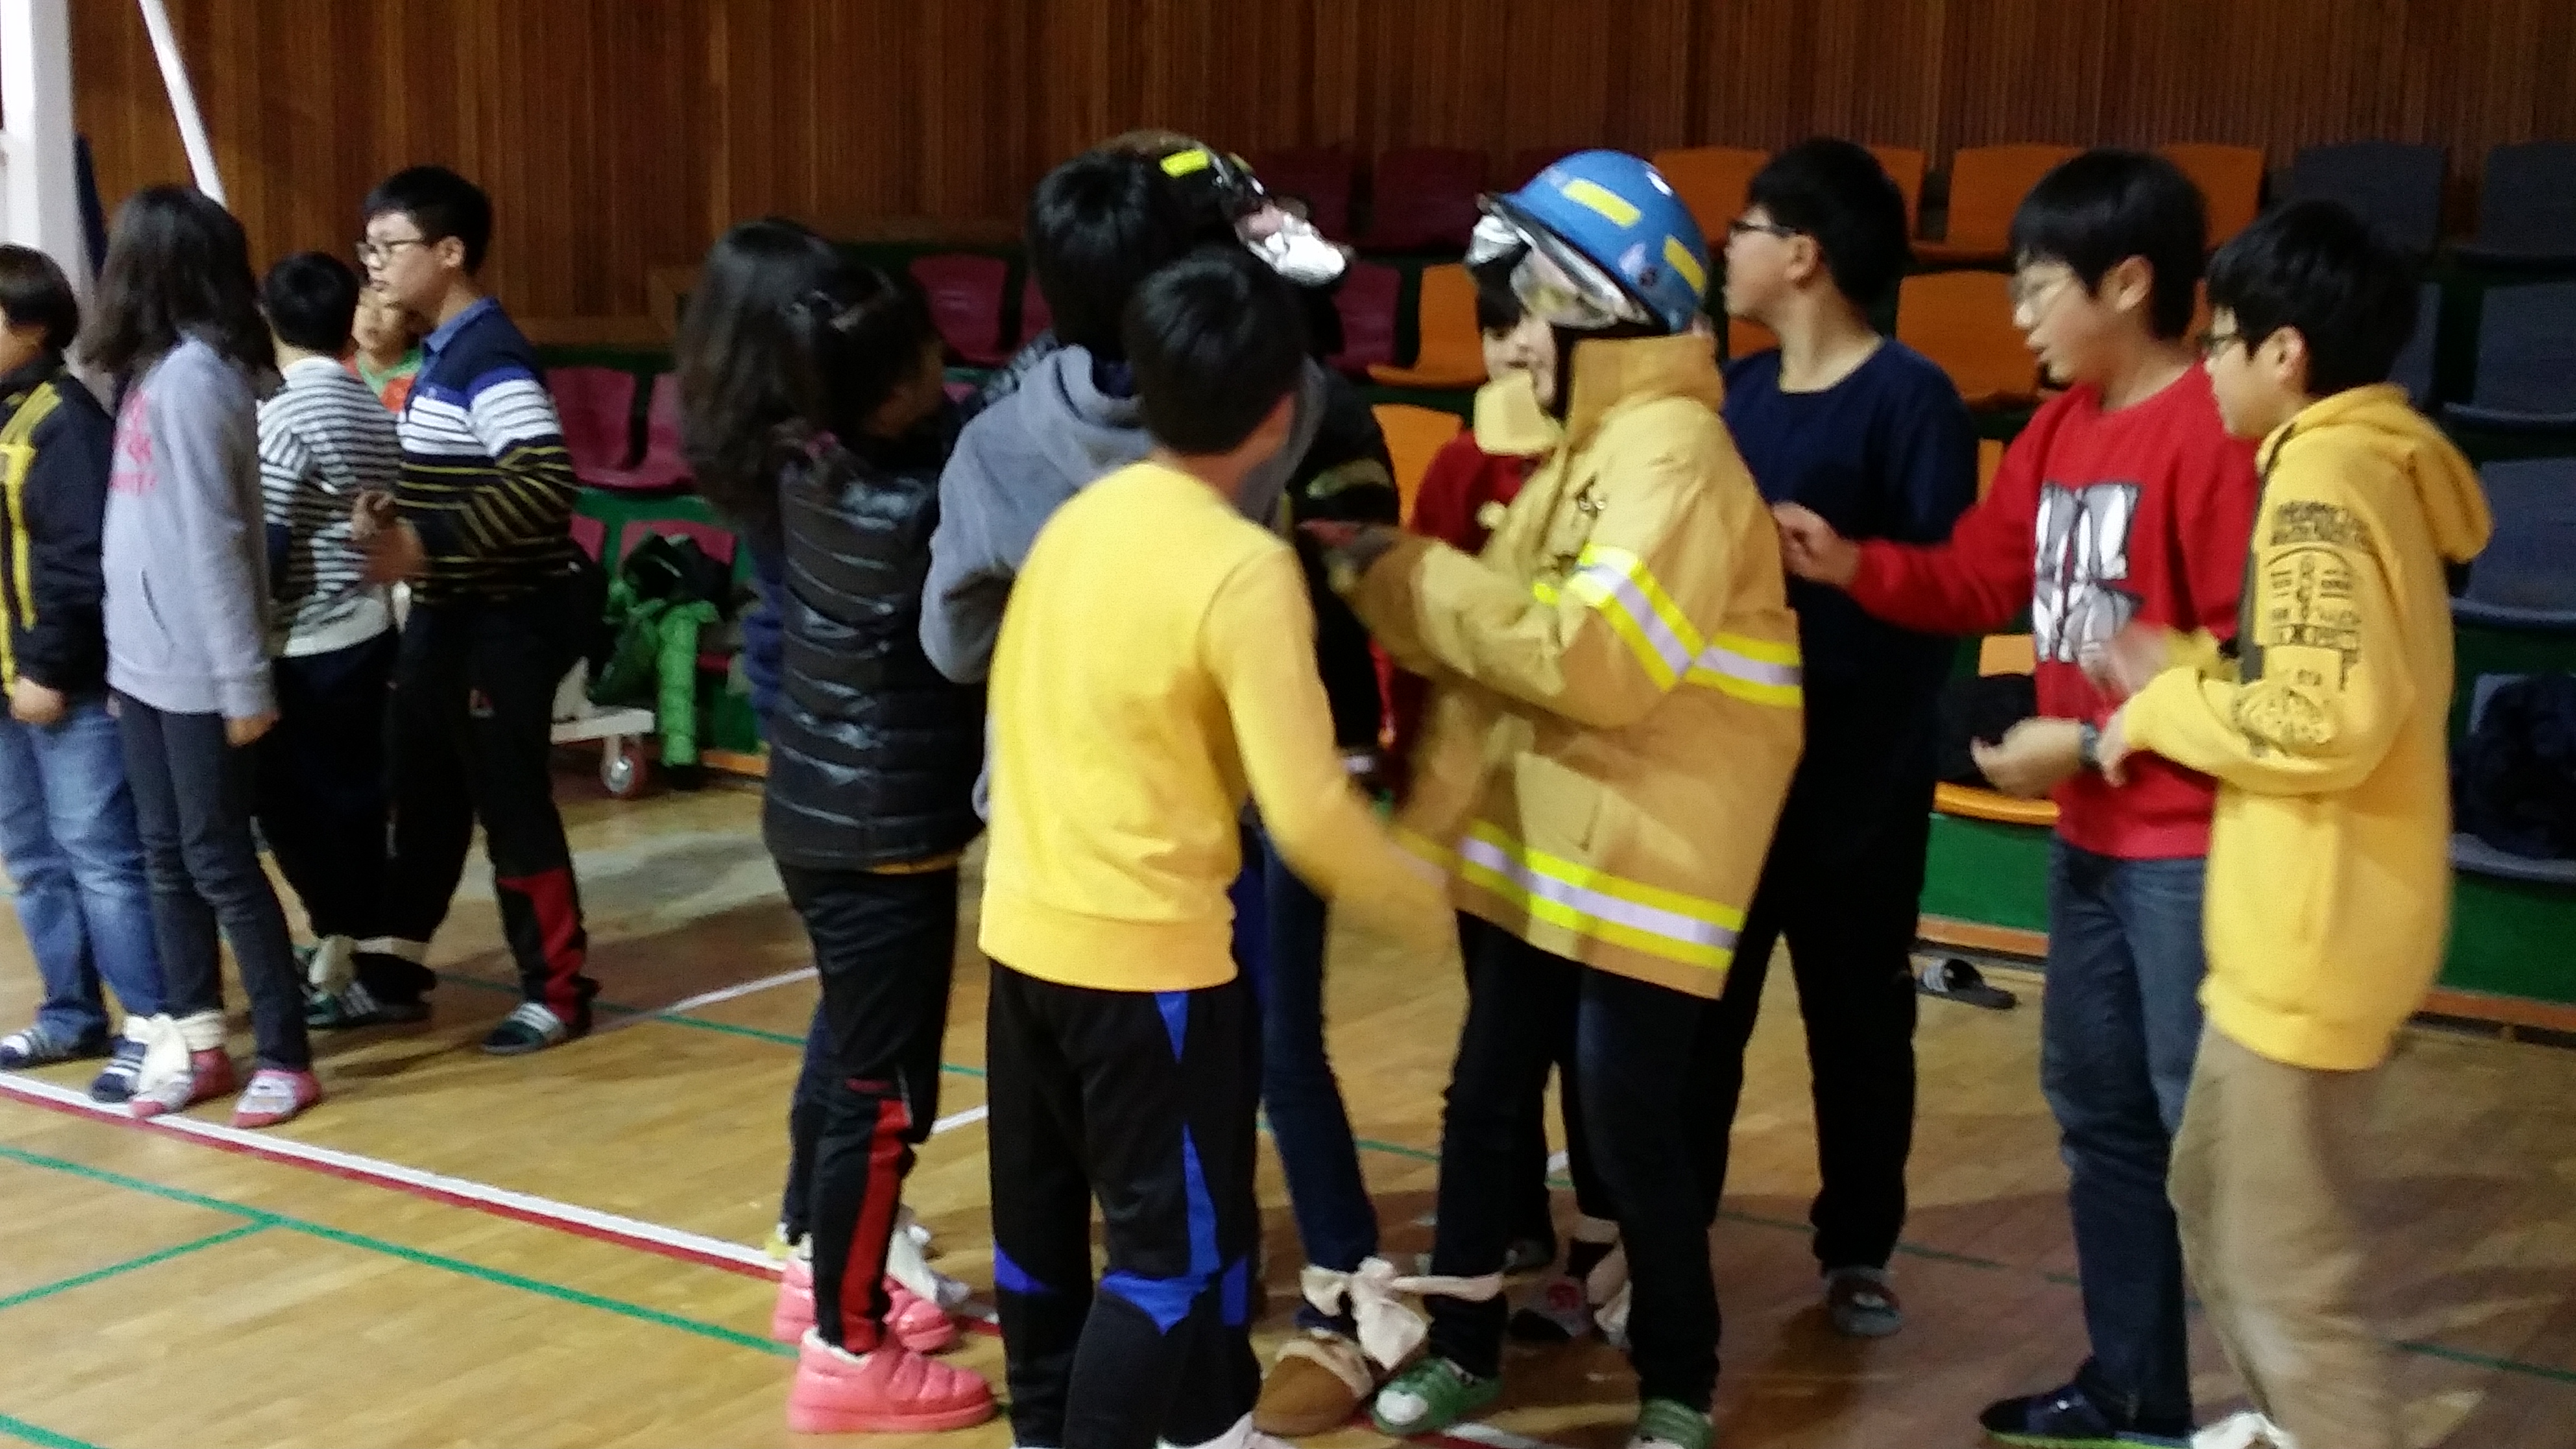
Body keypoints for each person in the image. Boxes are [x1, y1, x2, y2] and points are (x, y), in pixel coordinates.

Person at [1314, 150, 1805, 1449]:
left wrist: (1404, 578)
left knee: (1630, 1135)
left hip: (1645, 863)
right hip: (1538, 845)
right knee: (1483, 1108)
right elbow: (1493, 665)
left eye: (1537, 309)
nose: (1515, 339)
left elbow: (1587, 661)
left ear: (1607, 315)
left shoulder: (1676, 458)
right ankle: (1465, 1347)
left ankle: (1679, 1382)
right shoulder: (1586, 447)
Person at [1770, 149, 2258, 1447]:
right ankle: (2134, 1389)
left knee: (2206, 1142)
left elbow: (2236, 666)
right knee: (2100, 1119)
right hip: (2092, 836)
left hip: (2189, 848)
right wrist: (1852, 562)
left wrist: (2086, 744)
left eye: (2040, 285)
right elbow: (1982, 579)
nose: (2021, 314)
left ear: (2130, 282)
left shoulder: (2213, 431)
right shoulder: (2056, 430)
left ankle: (2286, 1410)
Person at [978, 246, 1443, 1449]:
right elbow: (1307, 815)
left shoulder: (1079, 522)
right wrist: (1435, 903)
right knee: (1170, 1263)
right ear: (1284, 410)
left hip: (1021, 939)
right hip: (1147, 970)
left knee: (1041, 1240)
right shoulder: (1241, 569)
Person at [2093, 200, 2490, 1449]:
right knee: (2212, 1194)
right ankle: (2289, 1428)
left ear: (2285, 352)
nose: (2206, 365)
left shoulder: (2320, 480)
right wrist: (2191, 667)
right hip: (2303, 928)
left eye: (2219, 342)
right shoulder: (2359, 463)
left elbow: (2322, 722)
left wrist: (2160, 707)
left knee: (2288, 1278)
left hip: (2315, 937)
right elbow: (2315, 681)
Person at [678, 219, 994, 1433]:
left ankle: (822, 1273)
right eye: (928, 359)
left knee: (859, 1061)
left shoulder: (807, 467)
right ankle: (847, 1343)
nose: (947, 374)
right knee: (884, 1091)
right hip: (880, 831)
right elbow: (982, 452)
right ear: (892, 389)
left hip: (820, 816)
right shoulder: (920, 505)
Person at [1693, 137, 1979, 1339]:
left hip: (1856, 779)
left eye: (1746, 229)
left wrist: (1844, 568)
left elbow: (1948, 591)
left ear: (1802, 253)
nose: (1727, 249)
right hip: (1729, 773)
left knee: (1856, 1024)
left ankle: (1856, 1244)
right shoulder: (1735, 394)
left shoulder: (1912, 397)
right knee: (1700, 1015)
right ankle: (1668, 1232)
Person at [345, 165, 598, 1053]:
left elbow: (544, 483)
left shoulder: (490, 354)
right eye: (367, 247)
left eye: (389, 246)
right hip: (448, 616)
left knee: (510, 801)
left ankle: (558, 991)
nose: (373, 264)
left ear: (450, 252)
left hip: (506, 618)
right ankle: (392, 972)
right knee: (422, 792)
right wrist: (396, 511)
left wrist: (421, 543)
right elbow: (462, 473)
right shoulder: (442, 353)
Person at [82, 186, 320, 1127]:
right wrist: (119, 661)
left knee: (218, 860)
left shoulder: (197, 379)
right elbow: (132, 535)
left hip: (202, 670)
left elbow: (217, 542)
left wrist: (242, 682)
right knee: (164, 859)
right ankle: (199, 1037)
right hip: (145, 665)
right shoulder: (153, 373)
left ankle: (287, 1055)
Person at [0, 244, 171, 1104]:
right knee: (33, 859)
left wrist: (48, 668)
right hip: (7, 685)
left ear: (30, 328)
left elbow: (76, 563)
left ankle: (152, 1023)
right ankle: (71, 1013)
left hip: (62, 686)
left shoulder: (64, 421)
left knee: (101, 856)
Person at [250, 252, 402, 1020]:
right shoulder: (369, 406)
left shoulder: (281, 415)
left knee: (303, 816)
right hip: (365, 628)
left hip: (304, 645)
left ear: (266, 319)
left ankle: (348, 956)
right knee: (353, 808)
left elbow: (268, 543)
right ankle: (355, 955)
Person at [350, 286, 422, 413]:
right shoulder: (339, 373)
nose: (373, 316)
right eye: (362, 303)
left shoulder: (428, 373)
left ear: (412, 318)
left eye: (389, 306)